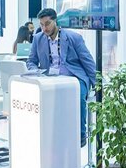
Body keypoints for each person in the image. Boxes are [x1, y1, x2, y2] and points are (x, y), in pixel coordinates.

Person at [27, 8, 96, 147]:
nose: (44, 28)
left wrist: (97, 84)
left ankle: (80, 134)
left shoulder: (73, 37)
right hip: (51, 79)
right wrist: (35, 71)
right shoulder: (38, 39)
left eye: (47, 24)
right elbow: (31, 61)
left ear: (55, 21)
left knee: (78, 97)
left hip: (74, 77)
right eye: (42, 25)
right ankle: (50, 133)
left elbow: (88, 61)